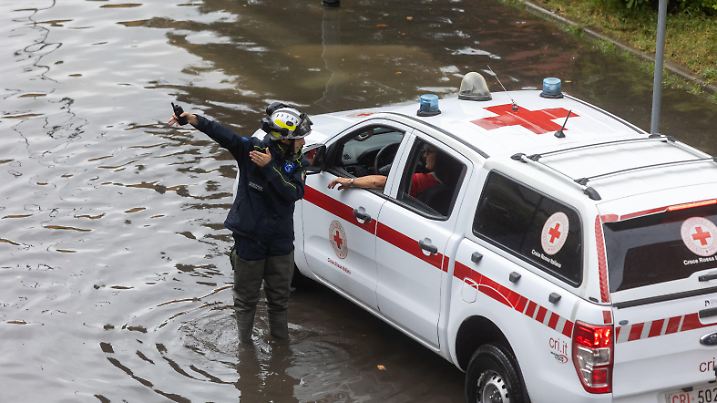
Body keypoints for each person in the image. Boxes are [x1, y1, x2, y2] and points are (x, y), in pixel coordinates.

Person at [168, 102, 311, 343]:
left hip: (280, 240)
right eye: (299, 138)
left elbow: (293, 193)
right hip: (249, 238)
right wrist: (194, 119)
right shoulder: (251, 150)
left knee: (280, 299)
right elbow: (224, 135)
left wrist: (269, 169)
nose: (304, 142)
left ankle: (280, 346)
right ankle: (245, 351)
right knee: (246, 300)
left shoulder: (297, 164)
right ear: (283, 139)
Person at [328, 145, 442, 199]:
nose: (424, 155)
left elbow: (379, 182)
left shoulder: (424, 181)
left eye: (429, 151)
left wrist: (350, 181)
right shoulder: (454, 179)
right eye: (424, 151)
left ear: (442, 157)